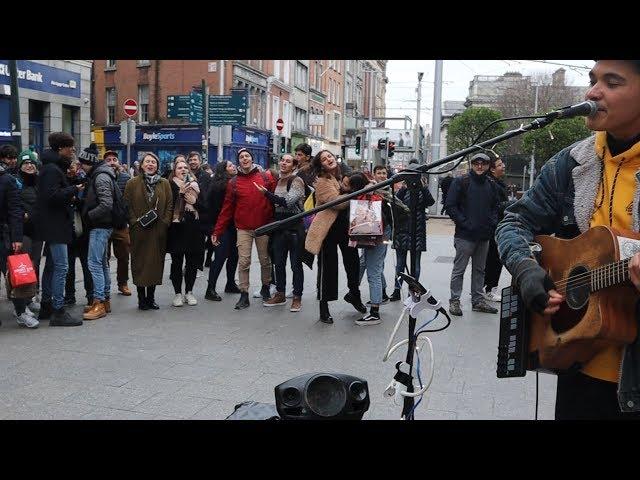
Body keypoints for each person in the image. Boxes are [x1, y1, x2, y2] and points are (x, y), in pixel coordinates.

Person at [496, 60, 640, 419]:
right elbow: (513, 222)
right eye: (592, 80)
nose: (592, 92)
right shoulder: (571, 162)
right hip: (577, 363)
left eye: (612, 81)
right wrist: (526, 268)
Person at [305, 150, 366, 324]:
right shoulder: (323, 182)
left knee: (352, 264)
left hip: (345, 229)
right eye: (324, 159)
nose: (328, 159)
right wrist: (355, 194)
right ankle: (323, 307)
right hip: (328, 231)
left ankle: (354, 295)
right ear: (320, 165)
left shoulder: (341, 175)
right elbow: (337, 203)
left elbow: (359, 181)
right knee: (327, 269)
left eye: (329, 156)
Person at [211, 148, 276, 310]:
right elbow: (226, 210)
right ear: (238, 161)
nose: (244, 159)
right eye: (241, 157)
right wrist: (217, 231)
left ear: (252, 159)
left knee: (265, 261)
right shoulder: (233, 183)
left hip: (263, 227)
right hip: (243, 229)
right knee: (244, 262)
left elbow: (276, 198)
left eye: (247, 156)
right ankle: (244, 294)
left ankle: (266, 288)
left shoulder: (265, 177)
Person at [33, 132, 83, 326]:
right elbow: (52, 196)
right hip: (56, 226)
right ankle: (58, 310)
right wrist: (74, 189)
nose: (72, 150)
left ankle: (46, 305)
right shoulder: (52, 170)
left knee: (53, 266)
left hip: (53, 224)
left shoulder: (51, 167)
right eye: (70, 147)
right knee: (62, 267)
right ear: (61, 148)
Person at [445, 152, 500, 316]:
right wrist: (465, 223)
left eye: (483, 163)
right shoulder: (461, 182)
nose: (480, 166)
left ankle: (478, 300)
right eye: (476, 163)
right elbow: (451, 206)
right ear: (472, 164)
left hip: (483, 236)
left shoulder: (491, 184)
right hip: (465, 235)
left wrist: (491, 223)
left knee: (480, 270)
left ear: (488, 166)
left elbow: (495, 206)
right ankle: (455, 301)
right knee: (459, 270)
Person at [255, 153, 305, 312]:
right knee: (279, 264)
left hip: (294, 227)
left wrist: (266, 194)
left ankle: (297, 297)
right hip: (279, 228)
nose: (284, 163)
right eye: (282, 160)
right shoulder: (277, 181)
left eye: (288, 161)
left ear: (294, 166)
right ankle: (280, 294)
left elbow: (288, 202)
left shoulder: (296, 181)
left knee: (296, 265)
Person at [124, 152, 173, 310]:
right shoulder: (132, 183)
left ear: (157, 166)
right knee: (139, 263)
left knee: (155, 264)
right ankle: (141, 299)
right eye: (147, 162)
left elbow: (170, 204)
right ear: (141, 164)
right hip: (139, 230)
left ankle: (151, 298)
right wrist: (133, 222)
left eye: (153, 162)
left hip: (158, 230)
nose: (150, 164)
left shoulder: (164, 183)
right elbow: (128, 205)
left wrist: (165, 222)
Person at [0, 147, 38, 328]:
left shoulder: (7, 180)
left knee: (15, 276)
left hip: (4, 236)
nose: (12, 161)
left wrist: (16, 238)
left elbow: (15, 211)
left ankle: (21, 311)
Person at [78, 144, 116, 320]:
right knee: (101, 263)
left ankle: (99, 302)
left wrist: (89, 216)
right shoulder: (100, 174)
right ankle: (104, 300)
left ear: (90, 162)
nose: (81, 166)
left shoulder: (100, 177)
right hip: (103, 226)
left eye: (83, 163)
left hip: (100, 226)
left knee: (94, 263)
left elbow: (106, 204)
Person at [390, 160, 435, 302]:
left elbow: (430, 202)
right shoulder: (403, 189)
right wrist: (404, 186)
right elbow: (395, 202)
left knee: (415, 263)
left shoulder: (422, 188)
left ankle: (414, 290)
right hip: (403, 229)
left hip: (418, 229)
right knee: (400, 263)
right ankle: (397, 290)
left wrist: (422, 187)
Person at [167, 157, 205, 307]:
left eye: (185, 168)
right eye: (179, 168)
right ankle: (177, 294)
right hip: (176, 228)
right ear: (174, 171)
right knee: (176, 262)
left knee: (191, 263)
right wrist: (180, 194)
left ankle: (189, 292)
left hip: (193, 228)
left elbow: (204, 206)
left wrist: (195, 202)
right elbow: (168, 205)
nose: (183, 170)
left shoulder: (195, 185)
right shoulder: (169, 185)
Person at [204, 160, 240, 301]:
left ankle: (230, 283)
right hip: (221, 225)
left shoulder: (230, 183)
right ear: (223, 170)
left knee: (233, 255)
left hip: (231, 226)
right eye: (230, 166)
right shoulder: (221, 186)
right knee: (220, 256)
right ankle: (210, 289)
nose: (234, 167)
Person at [63, 159, 93, 310]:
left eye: (72, 166)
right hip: (67, 231)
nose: (70, 169)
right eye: (68, 167)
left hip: (83, 230)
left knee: (87, 265)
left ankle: (90, 295)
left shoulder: (84, 182)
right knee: (68, 267)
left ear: (78, 167)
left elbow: (87, 203)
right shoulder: (61, 182)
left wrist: (76, 199)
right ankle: (69, 296)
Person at [483, 153, 512, 302]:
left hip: (497, 226)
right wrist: (511, 205)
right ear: (493, 170)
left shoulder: (497, 183)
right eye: (500, 165)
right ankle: (489, 289)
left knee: (493, 259)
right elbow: (494, 206)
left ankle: (487, 288)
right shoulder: (491, 184)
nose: (503, 166)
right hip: (494, 227)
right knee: (493, 260)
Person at [17, 150, 43, 315]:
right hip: (23, 231)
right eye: (25, 163)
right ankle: (23, 301)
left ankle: (33, 295)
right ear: (20, 166)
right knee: (25, 265)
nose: (29, 165)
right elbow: (11, 205)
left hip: (38, 230)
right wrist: (22, 214)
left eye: (32, 163)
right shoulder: (16, 183)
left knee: (35, 263)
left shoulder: (39, 182)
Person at [104, 150, 132, 296]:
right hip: (105, 224)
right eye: (108, 160)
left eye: (114, 159)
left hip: (121, 224)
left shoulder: (126, 178)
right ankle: (105, 284)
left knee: (123, 256)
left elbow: (130, 201)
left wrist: (127, 219)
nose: (112, 162)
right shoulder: (101, 177)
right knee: (105, 257)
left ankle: (123, 283)